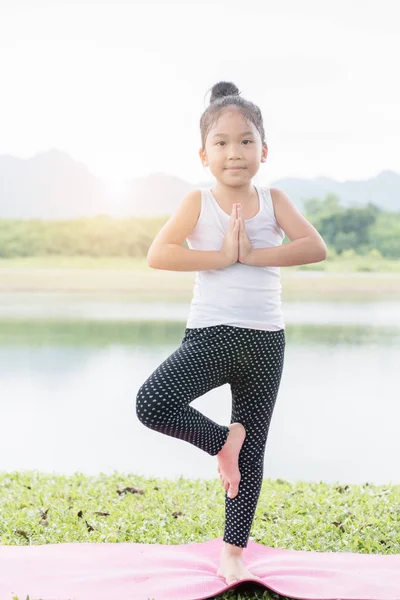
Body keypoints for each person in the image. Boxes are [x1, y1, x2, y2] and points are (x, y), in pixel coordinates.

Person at [136, 80, 327, 585]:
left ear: (264, 150)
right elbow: (159, 255)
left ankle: (234, 553)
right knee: (153, 403)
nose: (234, 152)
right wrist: (221, 256)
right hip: (212, 335)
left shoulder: (273, 199)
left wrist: (254, 255)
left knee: (255, 446)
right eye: (221, 143)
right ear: (203, 154)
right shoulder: (197, 202)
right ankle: (224, 441)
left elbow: (314, 247)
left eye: (246, 141)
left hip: (265, 338)